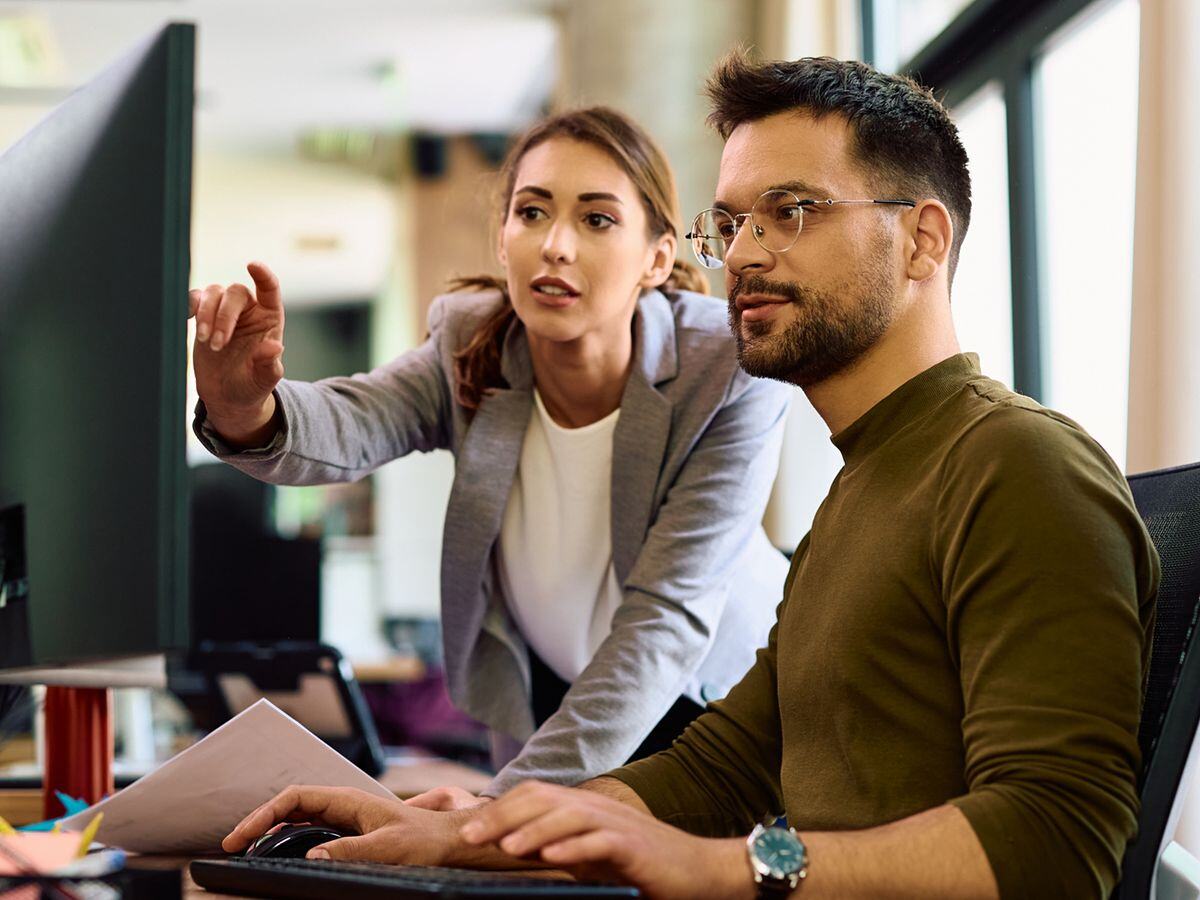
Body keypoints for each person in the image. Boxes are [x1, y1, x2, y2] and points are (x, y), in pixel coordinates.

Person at [222, 54, 1160, 899]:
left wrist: (725, 866)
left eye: (791, 212)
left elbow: (1060, 843)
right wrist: (470, 832)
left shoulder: (1017, 463)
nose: (746, 254)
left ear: (921, 241)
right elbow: (725, 767)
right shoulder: (858, 490)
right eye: (733, 222)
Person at [190, 106, 791, 800]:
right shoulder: (472, 344)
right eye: (531, 213)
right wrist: (246, 408)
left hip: (717, 710)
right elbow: (355, 419)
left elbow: (666, 621)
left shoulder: (726, 367)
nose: (555, 245)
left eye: (597, 220)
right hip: (556, 706)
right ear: (503, 240)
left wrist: (496, 811)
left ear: (656, 258)